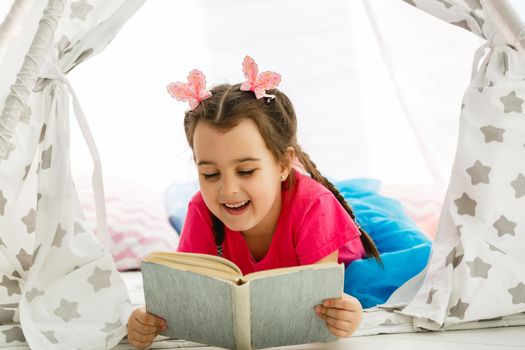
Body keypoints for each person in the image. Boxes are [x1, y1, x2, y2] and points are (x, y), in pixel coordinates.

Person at [126, 56, 381, 349]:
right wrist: (147, 319)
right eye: (210, 173)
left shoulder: (315, 207)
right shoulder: (201, 210)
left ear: (284, 164)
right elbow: (186, 300)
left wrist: (345, 313)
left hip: (340, 241)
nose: (228, 190)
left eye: (246, 171)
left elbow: (320, 307)